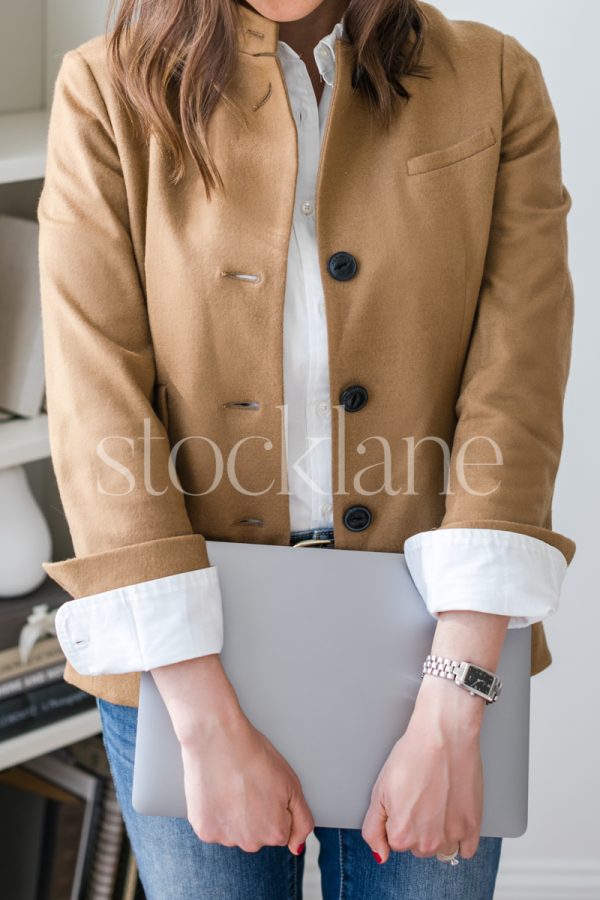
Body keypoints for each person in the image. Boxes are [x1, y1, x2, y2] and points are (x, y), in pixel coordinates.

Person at [37, 0, 575, 897]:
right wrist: (206, 720)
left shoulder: (497, 77)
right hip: (187, 664)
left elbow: (517, 387)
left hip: (439, 653)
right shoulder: (106, 89)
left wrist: (449, 708)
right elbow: (99, 408)